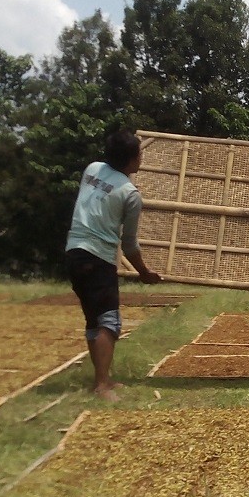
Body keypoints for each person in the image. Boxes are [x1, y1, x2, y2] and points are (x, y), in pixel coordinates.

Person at [65, 128, 162, 401]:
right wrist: (144, 273)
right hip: (98, 258)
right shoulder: (130, 194)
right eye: (140, 154)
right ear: (132, 159)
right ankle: (102, 385)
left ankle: (103, 378)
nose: (142, 158)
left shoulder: (92, 169)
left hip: (74, 252)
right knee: (109, 322)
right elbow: (129, 244)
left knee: (94, 320)